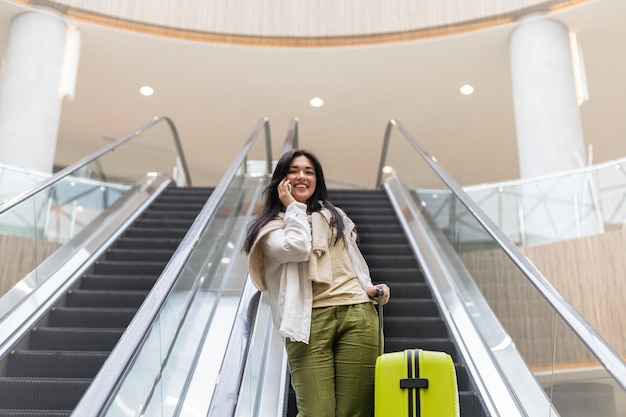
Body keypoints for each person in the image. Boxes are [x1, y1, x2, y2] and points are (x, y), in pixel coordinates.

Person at [243, 149, 390, 417]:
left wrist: (367, 287)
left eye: (308, 172)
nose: (302, 176)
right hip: (307, 323)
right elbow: (298, 247)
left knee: (356, 412)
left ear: (317, 179)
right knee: (316, 412)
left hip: (357, 312)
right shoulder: (270, 229)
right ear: (281, 180)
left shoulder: (337, 217)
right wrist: (293, 208)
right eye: (294, 170)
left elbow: (351, 260)